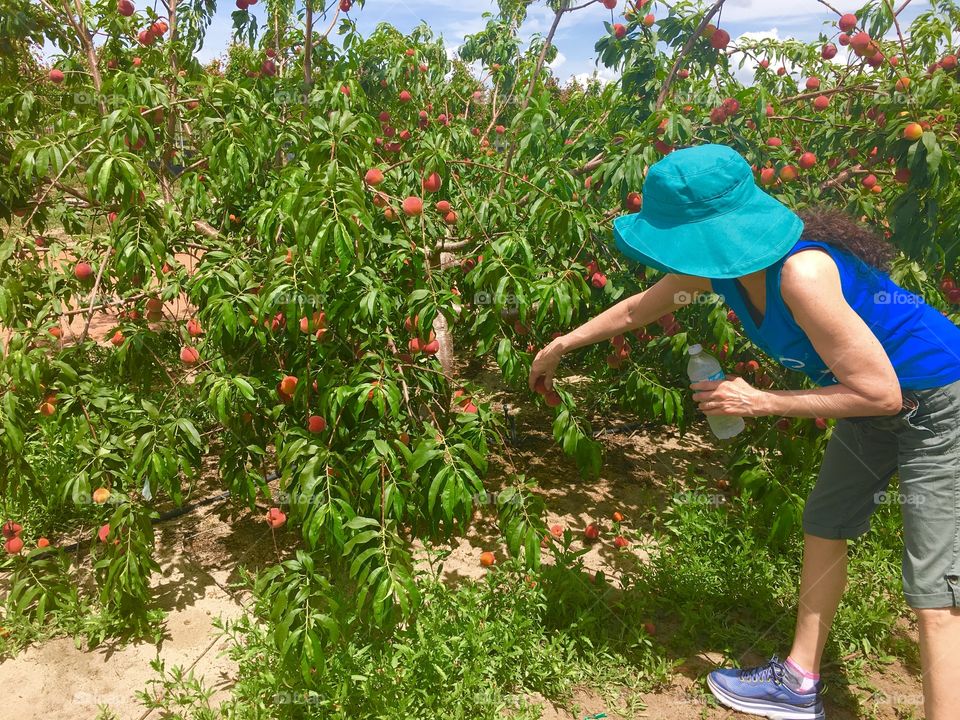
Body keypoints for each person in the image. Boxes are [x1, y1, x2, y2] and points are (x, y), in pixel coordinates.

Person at [528, 144, 960, 720]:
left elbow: (881, 392)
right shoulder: (722, 273)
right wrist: (562, 345)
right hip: (870, 397)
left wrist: (759, 400)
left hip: (937, 400)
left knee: (933, 589)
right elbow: (638, 309)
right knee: (826, 523)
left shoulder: (802, 274)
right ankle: (799, 680)